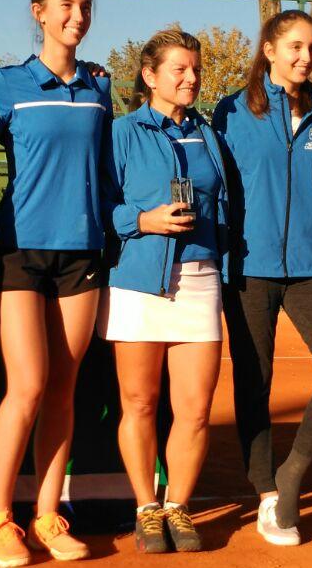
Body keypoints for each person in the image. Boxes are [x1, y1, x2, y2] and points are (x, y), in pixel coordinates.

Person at [0, 0, 112, 567]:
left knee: (62, 389)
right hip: (20, 252)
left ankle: (48, 514)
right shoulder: (7, 84)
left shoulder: (100, 87)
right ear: (38, 11)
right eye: (65, 5)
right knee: (26, 386)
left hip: (82, 254)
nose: (76, 16)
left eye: (84, 6)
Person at [211, 10, 312, 546]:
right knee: (256, 381)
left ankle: (291, 473)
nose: (306, 56)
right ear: (269, 50)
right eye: (295, 46)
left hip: (311, 267)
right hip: (248, 268)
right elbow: (217, 186)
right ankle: (266, 494)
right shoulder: (230, 112)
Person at [98, 27, 231, 556]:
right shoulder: (121, 132)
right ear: (150, 76)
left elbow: (223, 204)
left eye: (194, 68)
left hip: (200, 281)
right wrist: (143, 220)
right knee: (139, 402)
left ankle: (177, 504)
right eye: (178, 69)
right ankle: (146, 509)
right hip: (139, 282)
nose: (191, 78)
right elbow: (102, 206)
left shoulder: (207, 134)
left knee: (195, 410)